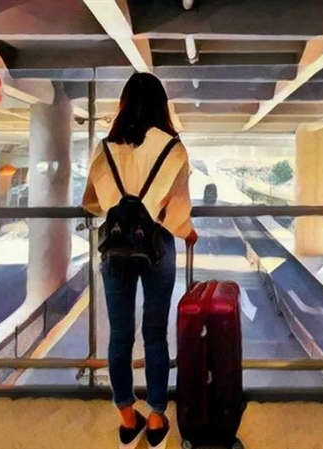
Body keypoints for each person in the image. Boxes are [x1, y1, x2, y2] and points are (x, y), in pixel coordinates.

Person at [83, 72, 197, 449]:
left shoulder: (104, 148)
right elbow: (177, 210)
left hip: (115, 245)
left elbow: (93, 203)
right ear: (162, 106)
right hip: (158, 243)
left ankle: (127, 420)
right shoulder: (173, 148)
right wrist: (186, 231)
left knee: (119, 335)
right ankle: (157, 418)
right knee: (155, 334)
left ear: (123, 104)